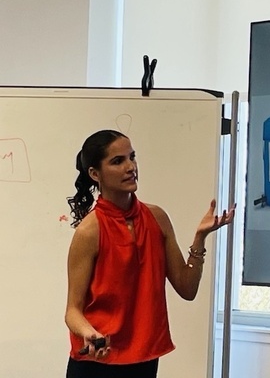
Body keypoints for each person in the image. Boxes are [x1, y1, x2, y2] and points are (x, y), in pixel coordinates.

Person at [64, 129, 234, 378]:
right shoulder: (90, 231)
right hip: (96, 362)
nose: (130, 167)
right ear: (94, 174)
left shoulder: (157, 218)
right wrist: (89, 333)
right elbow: (72, 311)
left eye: (132, 157)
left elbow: (187, 288)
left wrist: (200, 237)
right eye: (117, 161)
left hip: (144, 359)